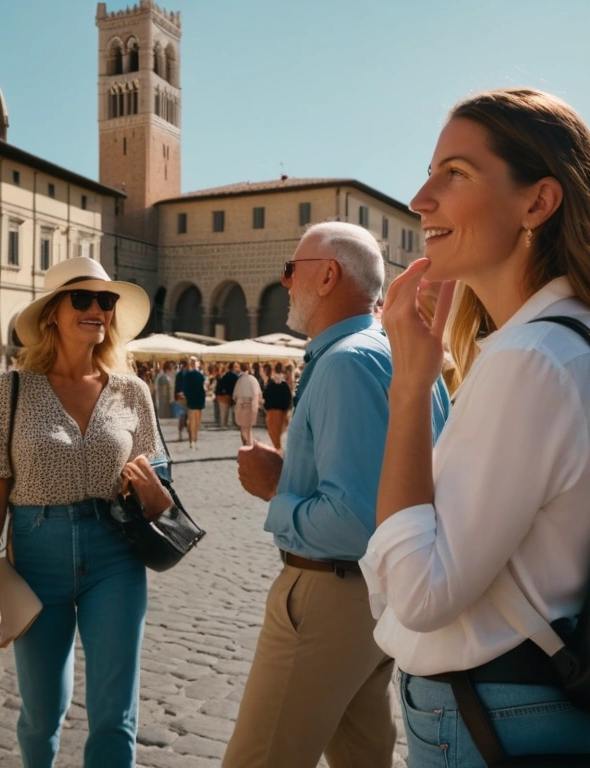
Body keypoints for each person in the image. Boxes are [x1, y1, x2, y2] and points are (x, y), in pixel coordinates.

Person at [359, 88, 590, 766]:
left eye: (453, 173)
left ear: (538, 202)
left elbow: (424, 594)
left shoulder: (533, 357)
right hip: (546, 705)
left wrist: (409, 390)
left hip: (493, 717)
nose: (420, 198)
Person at [224, 222, 450, 768]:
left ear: (327, 276)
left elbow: (357, 519)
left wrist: (277, 489)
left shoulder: (345, 362)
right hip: (374, 599)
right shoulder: (392, 351)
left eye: (290, 270)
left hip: (331, 592)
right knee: (364, 758)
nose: (284, 283)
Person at [0, 256, 169, 768]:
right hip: (37, 555)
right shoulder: (11, 390)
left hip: (116, 554)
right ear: (52, 312)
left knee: (114, 711)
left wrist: (153, 488)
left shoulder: (132, 391)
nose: (98, 309)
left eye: (107, 300)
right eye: (83, 299)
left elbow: (161, 479)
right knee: (41, 711)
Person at [263, 362, 293, 451]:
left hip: (272, 410)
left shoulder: (270, 384)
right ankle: (278, 449)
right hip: (282, 411)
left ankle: (277, 449)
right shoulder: (284, 385)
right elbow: (288, 398)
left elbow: (266, 396)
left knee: (273, 432)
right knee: (280, 431)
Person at [232, 362, 262, 447]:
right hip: (251, 406)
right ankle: (249, 445)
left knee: (243, 428)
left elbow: (235, 396)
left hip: (242, 407)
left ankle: (246, 445)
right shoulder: (253, 379)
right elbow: (258, 394)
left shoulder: (240, 379)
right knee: (249, 428)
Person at [181, 355, 206, 448]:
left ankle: (193, 439)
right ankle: (193, 439)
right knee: (195, 421)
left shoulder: (189, 375)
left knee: (193, 421)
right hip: (197, 401)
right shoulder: (199, 375)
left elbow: (185, 388)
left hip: (193, 401)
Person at [215, 361, 239, 428]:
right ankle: (224, 425)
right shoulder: (231, 376)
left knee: (225, 412)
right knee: (224, 412)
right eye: (235, 366)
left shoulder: (230, 375)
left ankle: (224, 425)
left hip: (226, 395)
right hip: (224, 396)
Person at [173, 358, 189, 441]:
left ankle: (182, 433)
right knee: (184, 416)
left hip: (180, 397)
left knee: (183, 416)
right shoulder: (185, 374)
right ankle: (185, 433)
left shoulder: (180, 374)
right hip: (184, 398)